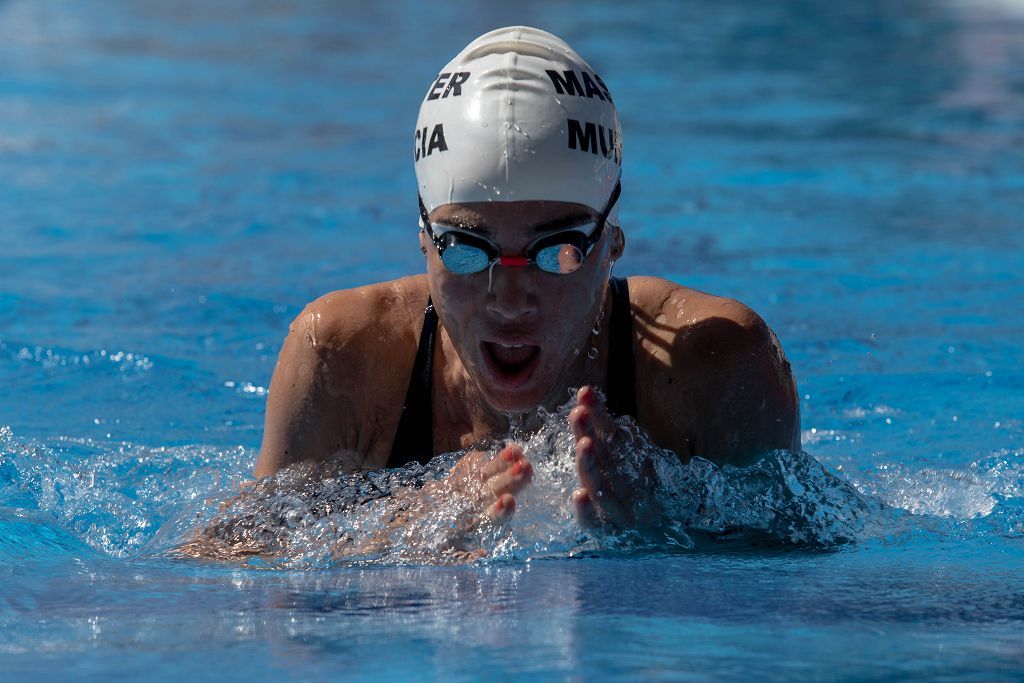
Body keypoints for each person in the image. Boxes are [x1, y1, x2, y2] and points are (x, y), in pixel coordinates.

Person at [253, 26, 799, 536]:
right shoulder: (341, 356)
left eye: (555, 251)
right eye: (468, 249)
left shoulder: (719, 366)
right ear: (424, 239)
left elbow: (797, 584)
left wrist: (669, 526)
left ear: (611, 243)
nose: (509, 300)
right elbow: (228, 563)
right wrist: (411, 525)